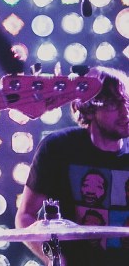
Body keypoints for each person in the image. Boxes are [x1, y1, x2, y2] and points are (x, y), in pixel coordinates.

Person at [15, 66, 129, 266]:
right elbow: (25, 216)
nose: (125, 112)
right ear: (88, 108)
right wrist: (54, 258)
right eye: (113, 103)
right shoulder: (58, 148)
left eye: (127, 102)